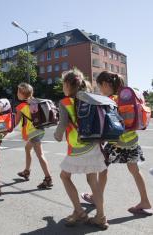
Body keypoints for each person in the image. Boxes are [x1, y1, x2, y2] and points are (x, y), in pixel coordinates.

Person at [81, 71, 152, 216]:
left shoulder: (110, 100)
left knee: (102, 168)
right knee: (135, 171)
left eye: (100, 87)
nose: (100, 90)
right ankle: (145, 201)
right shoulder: (126, 98)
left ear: (106, 84)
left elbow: (106, 123)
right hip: (132, 141)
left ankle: (96, 197)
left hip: (116, 143)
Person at [54, 68, 108, 229]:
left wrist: (57, 136)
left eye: (63, 84)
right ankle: (101, 216)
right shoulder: (91, 99)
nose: (62, 88)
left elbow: (63, 124)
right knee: (93, 181)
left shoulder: (65, 102)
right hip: (94, 145)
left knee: (64, 176)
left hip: (77, 148)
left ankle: (78, 211)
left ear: (68, 85)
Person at [15, 82, 53, 189]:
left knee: (40, 154)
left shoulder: (21, 107)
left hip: (33, 132)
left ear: (22, 94)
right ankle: (26, 171)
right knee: (27, 148)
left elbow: (16, 122)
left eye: (18, 92)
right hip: (40, 129)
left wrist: (6, 129)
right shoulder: (34, 102)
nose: (17, 93)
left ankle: (48, 178)